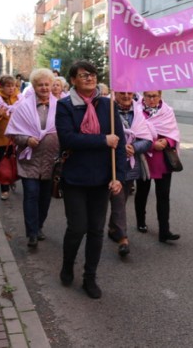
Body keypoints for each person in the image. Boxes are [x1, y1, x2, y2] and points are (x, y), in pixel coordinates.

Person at [56, 60, 126, 299]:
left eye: (93, 74)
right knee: (77, 227)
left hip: (102, 178)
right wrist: (102, 140)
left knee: (96, 230)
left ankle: (89, 277)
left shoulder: (108, 105)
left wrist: (120, 179)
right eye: (83, 75)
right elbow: (67, 139)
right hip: (75, 177)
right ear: (73, 80)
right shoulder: (65, 106)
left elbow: (120, 142)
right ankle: (67, 265)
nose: (90, 78)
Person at [5, 68, 59, 248]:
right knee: (31, 195)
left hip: (50, 161)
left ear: (52, 86)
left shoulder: (59, 106)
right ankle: (32, 233)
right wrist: (27, 140)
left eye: (47, 84)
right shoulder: (23, 106)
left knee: (45, 198)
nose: (44, 88)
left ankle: (39, 226)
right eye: (40, 84)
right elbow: (13, 132)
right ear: (34, 86)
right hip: (29, 161)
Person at [108, 91, 153, 257]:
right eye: (122, 93)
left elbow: (148, 140)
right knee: (118, 199)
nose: (126, 96)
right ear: (116, 94)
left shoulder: (138, 113)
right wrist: (119, 147)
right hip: (110, 163)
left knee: (122, 198)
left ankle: (113, 228)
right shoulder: (108, 110)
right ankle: (122, 238)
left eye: (129, 93)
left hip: (130, 165)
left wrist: (133, 148)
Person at [134, 90, 181, 243]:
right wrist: (152, 145)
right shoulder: (136, 110)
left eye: (155, 96)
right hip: (145, 158)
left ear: (160, 96)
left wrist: (167, 142)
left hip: (163, 161)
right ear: (144, 96)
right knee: (142, 192)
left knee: (163, 196)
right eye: (148, 96)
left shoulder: (167, 112)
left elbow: (174, 132)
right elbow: (133, 135)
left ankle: (164, 231)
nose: (152, 99)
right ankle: (141, 222)